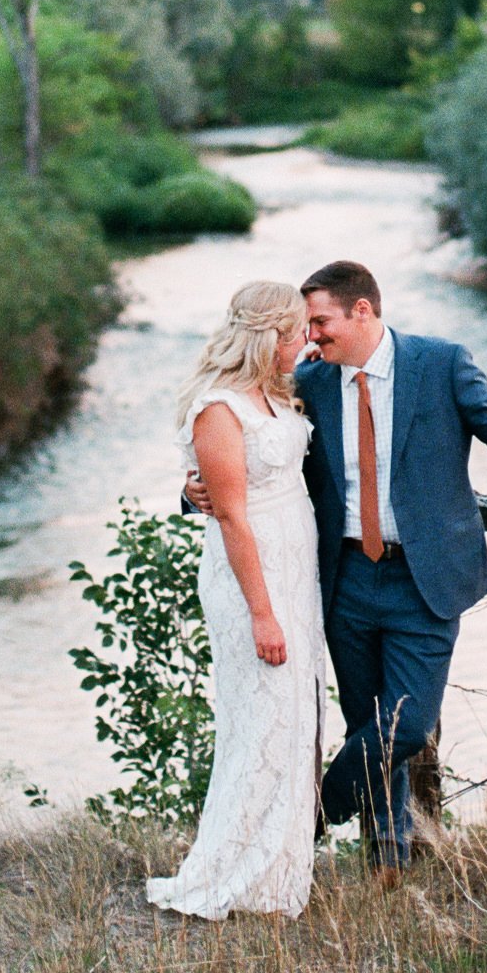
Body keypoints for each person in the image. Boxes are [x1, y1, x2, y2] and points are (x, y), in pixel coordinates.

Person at [190, 259, 487, 883]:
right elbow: (245, 452)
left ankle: (309, 815)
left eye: (319, 321)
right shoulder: (311, 382)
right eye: (304, 326)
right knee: (366, 724)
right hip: (342, 578)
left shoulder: (441, 364)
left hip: (424, 578)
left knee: (403, 725)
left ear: (363, 310)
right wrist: (192, 491)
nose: (311, 336)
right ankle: (388, 859)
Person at [146, 280, 324, 921]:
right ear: (270, 336)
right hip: (254, 579)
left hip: (296, 571)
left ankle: (276, 875)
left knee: (293, 719)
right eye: (298, 330)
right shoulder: (219, 407)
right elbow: (231, 516)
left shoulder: (277, 394)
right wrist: (263, 612)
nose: (307, 340)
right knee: (260, 721)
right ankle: (237, 873)